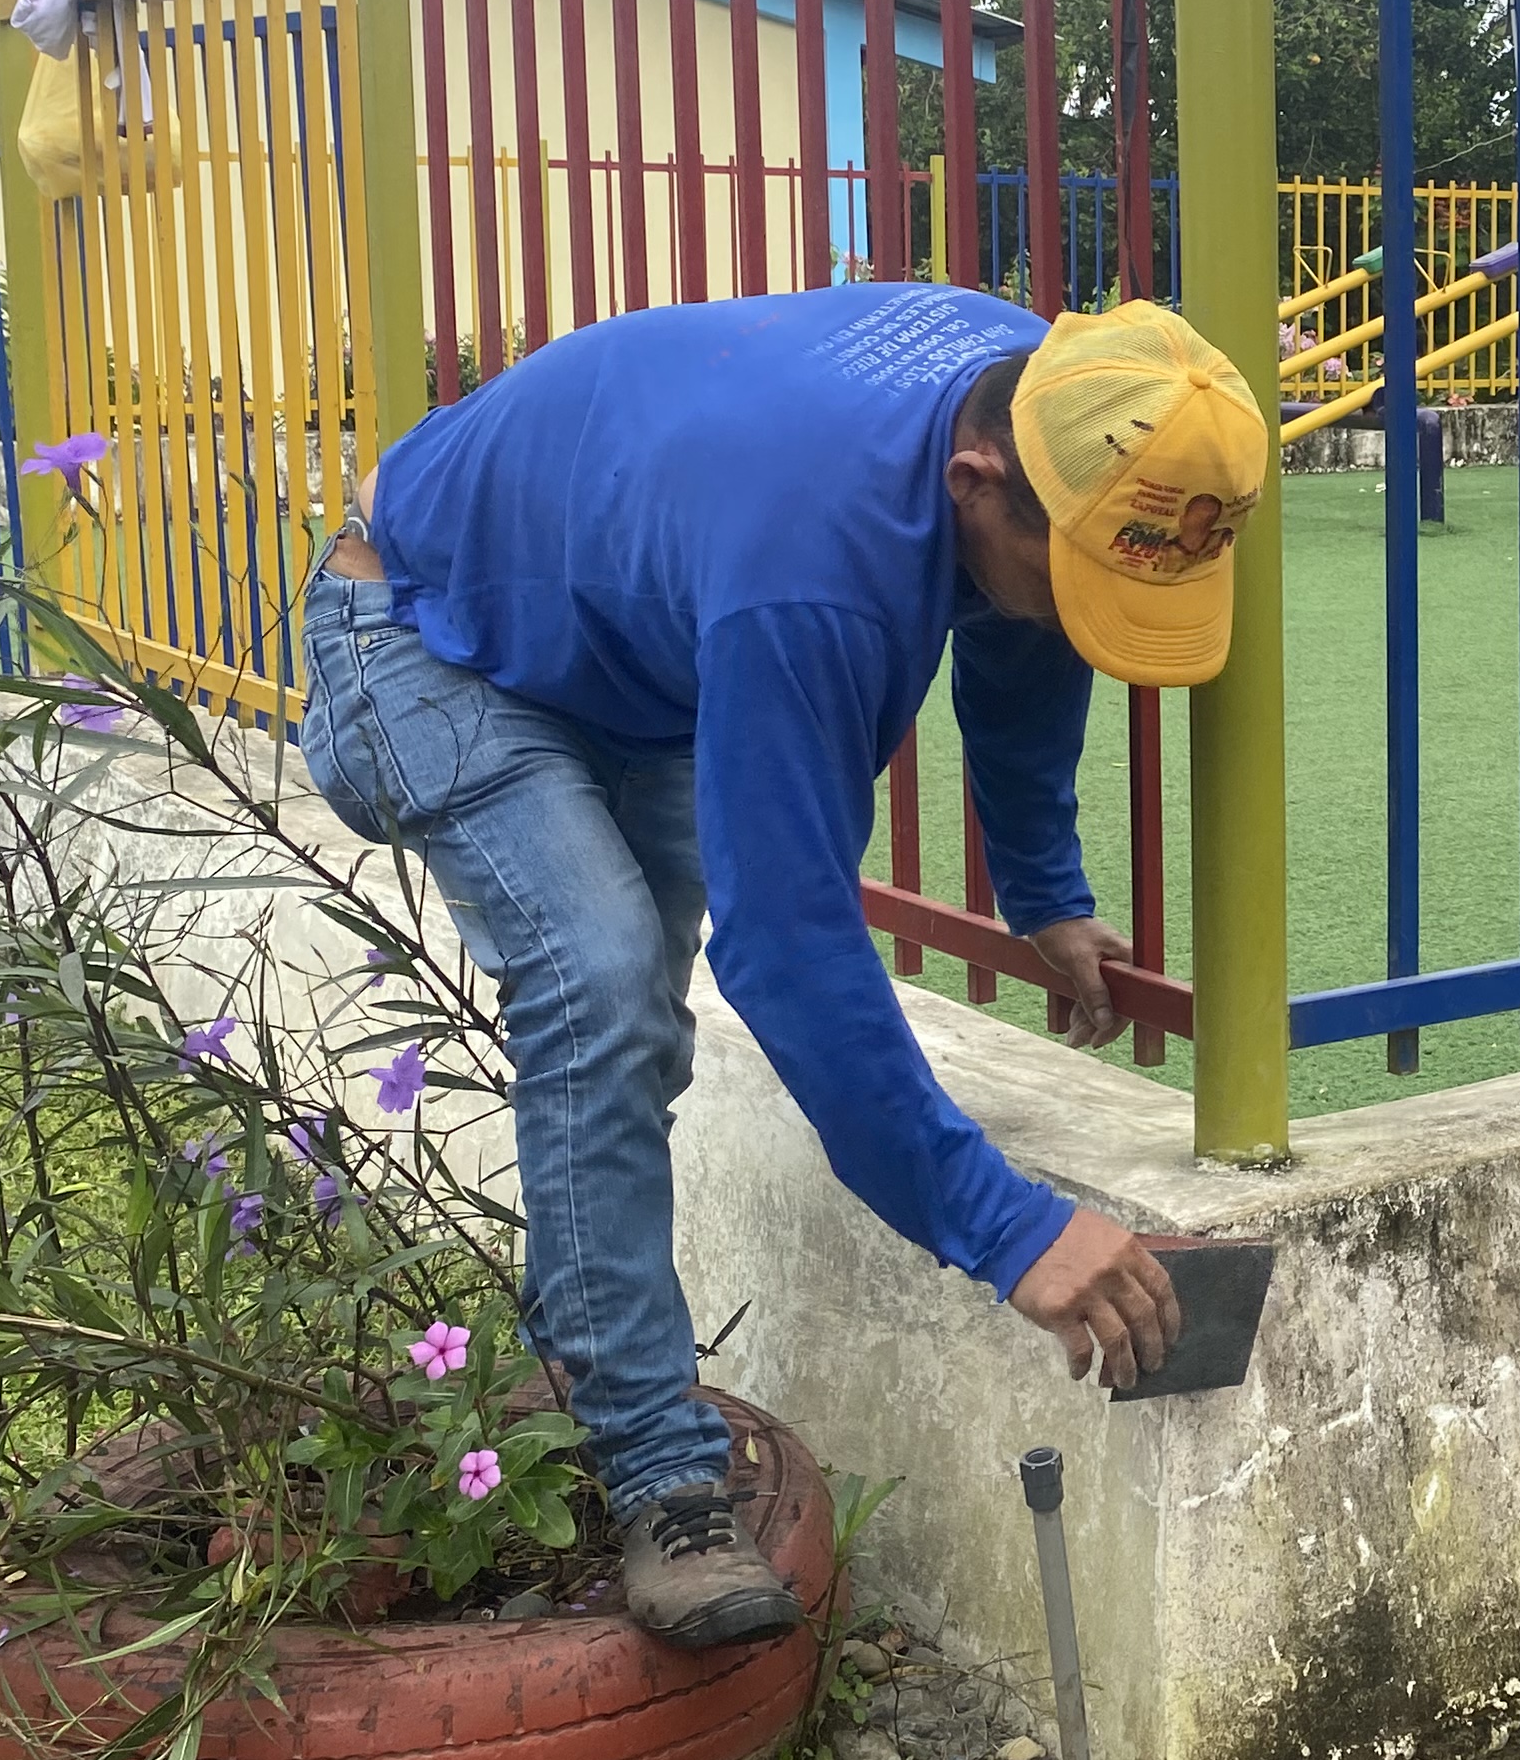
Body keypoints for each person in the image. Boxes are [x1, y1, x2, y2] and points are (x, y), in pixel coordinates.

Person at [295, 287, 1263, 1648]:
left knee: (622, 1029)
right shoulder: (815, 569)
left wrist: (1044, 893)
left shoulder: (1061, 404)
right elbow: (791, 948)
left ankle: (573, 1362)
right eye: (1071, 574)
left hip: (633, 642)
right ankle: (655, 1469)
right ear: (976, 482)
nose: (1076, 610)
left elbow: (1027, 634)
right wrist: (1009, 1229)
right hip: (416, 628)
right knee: (604, 991)